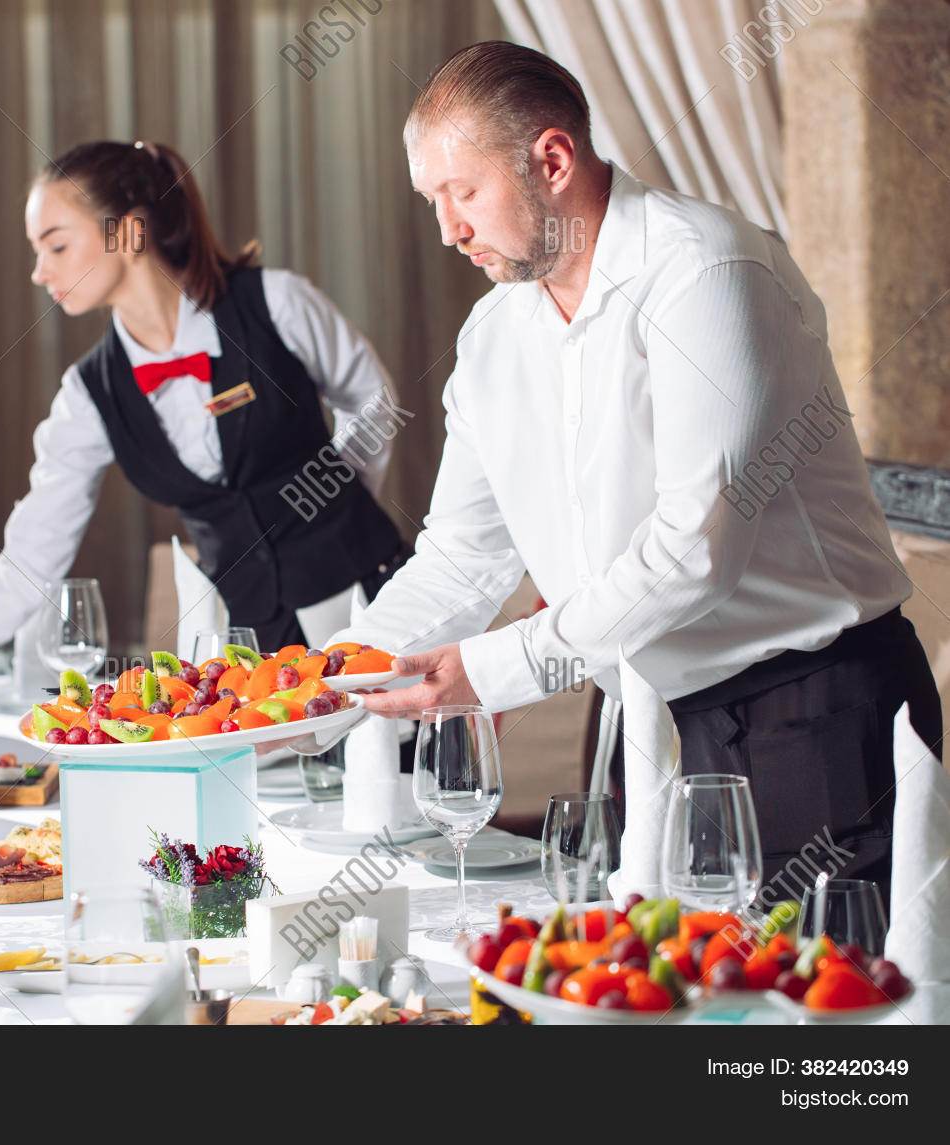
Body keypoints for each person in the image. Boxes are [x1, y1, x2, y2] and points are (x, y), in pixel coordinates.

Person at [341, 41, 941, 900]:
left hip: (812, 713)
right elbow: (461, 555)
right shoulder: (491, 339)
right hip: (645, 719)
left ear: (552, 159)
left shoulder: (706, 270)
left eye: (462, 192)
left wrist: (494, 668)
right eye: (433, 200)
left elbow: (694, 550)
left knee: (812, 1020)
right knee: (656, 1007)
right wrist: (317, 681)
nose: (448, 229)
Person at [0, 139, 409, 703]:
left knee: (412, 774)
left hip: (375, 604)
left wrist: (336, 500)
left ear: (129, 233)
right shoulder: (88, 396)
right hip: (255, 660)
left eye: (57, 246)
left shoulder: (277, 302)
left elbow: (375, 403)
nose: (39, 273)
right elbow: (27, 568)